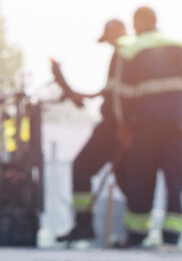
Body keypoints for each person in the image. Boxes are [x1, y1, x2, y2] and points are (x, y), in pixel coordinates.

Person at [112, 7, 182, 250]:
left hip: (145, 126)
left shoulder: (130, 49)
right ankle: (171, 237)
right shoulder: (178, 45)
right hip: (174, 124)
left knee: (141, 179)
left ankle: (137, 234)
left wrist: (124, 126)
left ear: (136, 23)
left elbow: (123, 94)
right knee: (174, 179)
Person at [55, 19, 131, 245]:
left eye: (108, 38)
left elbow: (119, 94)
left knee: (81, 167)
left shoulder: (123, 52)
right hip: (121, 125)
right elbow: (112, 90)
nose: (108, 43)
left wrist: (122, 124)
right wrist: (87, 96)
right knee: (126, 178)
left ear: (116, 32)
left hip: (114, 127)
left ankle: (84, 224)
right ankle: (134, 233)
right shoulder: (125, 54)